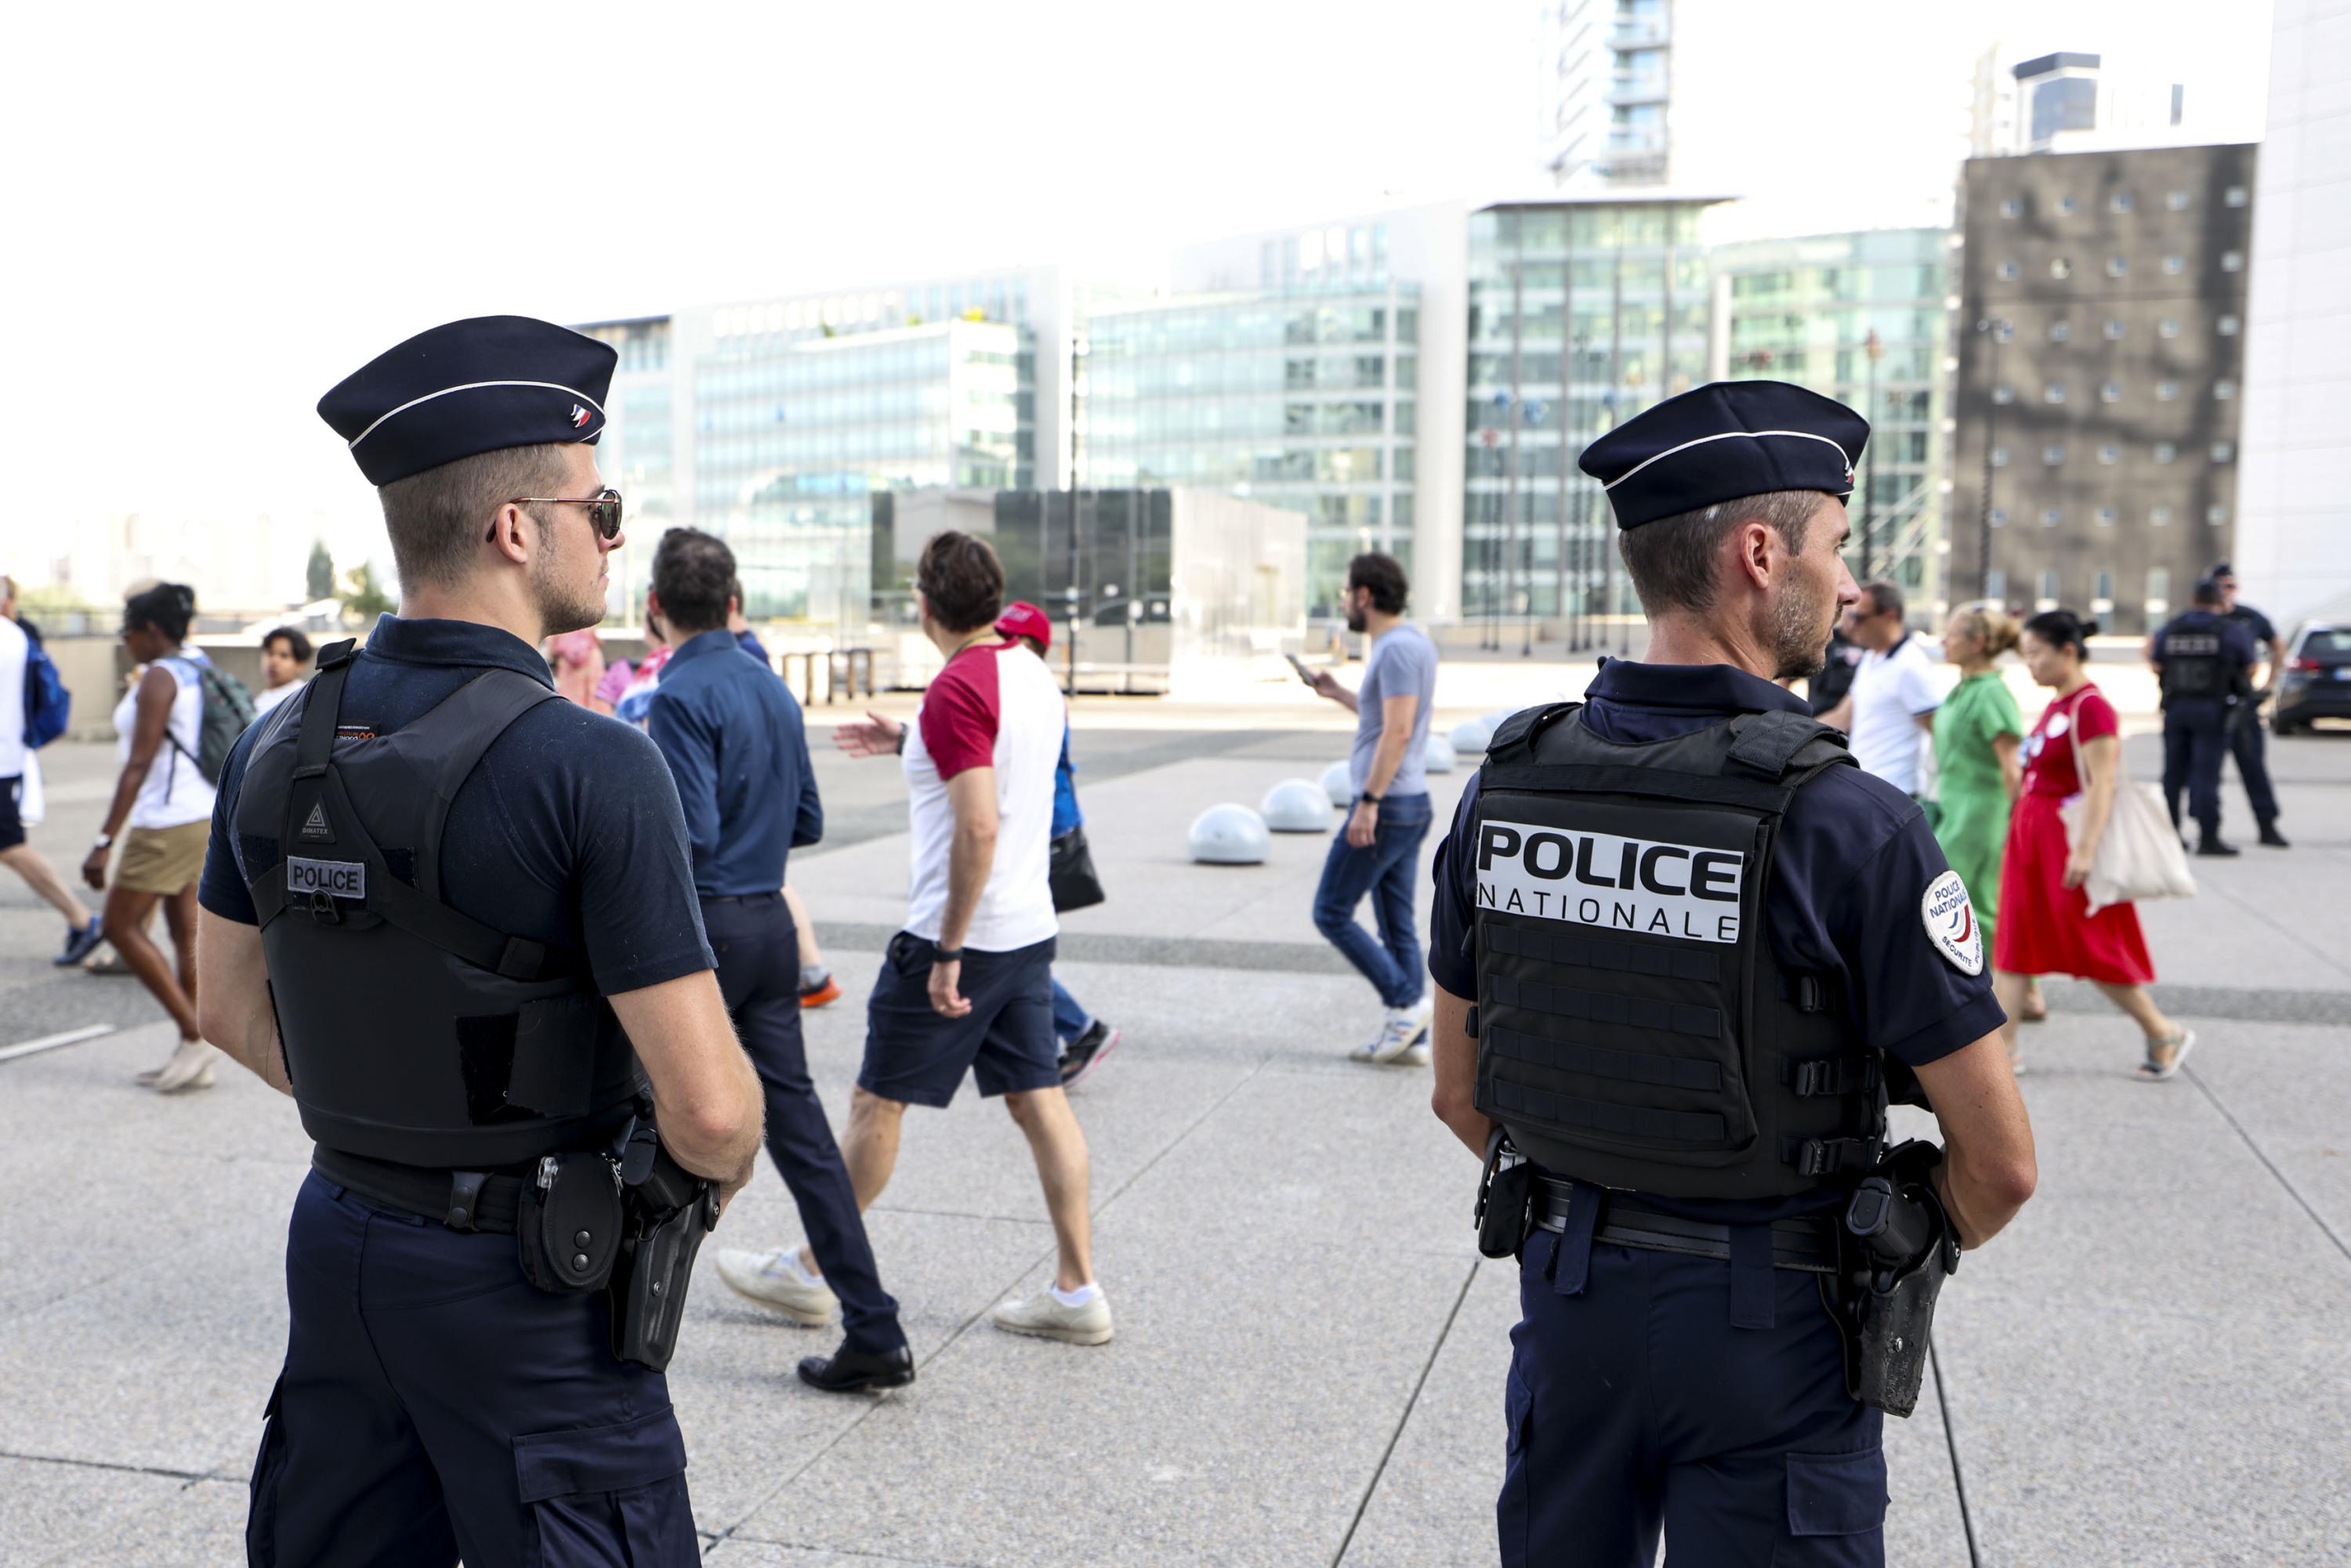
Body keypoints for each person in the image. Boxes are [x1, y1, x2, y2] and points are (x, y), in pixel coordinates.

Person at [1426, 380, 2037, 1568]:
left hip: (1570, 1304)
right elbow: (2002, 1164)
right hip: (1780, 1334)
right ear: (1761, 554)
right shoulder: (1851, 823)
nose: (1849, 585)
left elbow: (1460, 1094)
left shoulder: (1507, 787)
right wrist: (1881, 1252)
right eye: (1836, 547)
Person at [194, 316, 764, 1565]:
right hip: (530, 1287)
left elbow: (223, 1011)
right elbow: (714, 1115)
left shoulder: (275, 737)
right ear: (518, 528)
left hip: (339, 1239)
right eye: (597, 507)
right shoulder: (593, 761)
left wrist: (403, 1114)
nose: (612, 535)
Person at [812, 531, 1113, 1345]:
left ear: (924, 603)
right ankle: (1079, 1291)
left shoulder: (954, 689)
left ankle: (811, 1272)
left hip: (962, 939)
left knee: (877, 1102)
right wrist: (909, 743)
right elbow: (1002, 766)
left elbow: (978, 824)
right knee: (1038, 1099)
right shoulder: (1029, 671)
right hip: (1027, 931)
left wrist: (946, 951)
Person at [646, 527, 912, 1394]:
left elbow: (691, 832)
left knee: (630, 1106)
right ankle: (873, 1322)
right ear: (735, 604)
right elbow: (806, 822)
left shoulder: (676, 693)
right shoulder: (768, 684)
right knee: (801, 1137)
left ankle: (605, 1317)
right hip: (767, 925)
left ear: (654, 610)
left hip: (704, 935)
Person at [1996, 609, 2194, 1079]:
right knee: (2014, 941)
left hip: (2066, 841)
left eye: (2036, 654)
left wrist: (2084, 851)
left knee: (2094, 944)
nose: (2031, 665)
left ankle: (2161, 1029)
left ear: (2067, 651)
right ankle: (2003, 1050)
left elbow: (2103, 783)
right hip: (2031, 839)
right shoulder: (2057, 704)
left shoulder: (2090, 707)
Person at [85, 583, 224, 1092]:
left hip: (164, 824)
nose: (125, 639)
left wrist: (104, 839)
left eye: (128, 629)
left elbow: (139, 763)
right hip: (200, 817)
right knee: (181, 934)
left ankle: (194, 1037)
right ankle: (195, 1054)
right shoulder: (197, 665)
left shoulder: (161, 677)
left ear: (150, 631)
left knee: (120, 927)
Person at [1304, 551, 1439, 1065]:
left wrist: (1368, 802)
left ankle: (1406, 1003)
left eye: (1345, 592)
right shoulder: (1409, 645)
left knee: (1331, 910)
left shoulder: (1396, 649)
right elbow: (1384, 717)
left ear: (1365, 595)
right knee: (1397, 925)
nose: (1343, 602)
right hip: (1403, 802)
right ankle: (1412, 1037)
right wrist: (1338, 691)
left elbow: (1400, 730)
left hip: (1390, 805)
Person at [994, 600, 1120, 1085]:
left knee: (1012, 948)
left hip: (1045, 834)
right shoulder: (1027, 686)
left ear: (1031, 646)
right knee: (1012, 946)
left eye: (1011, 636)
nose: (1001, 644)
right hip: (1048, 827)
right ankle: (1048, 1041)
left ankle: (1078, 1029)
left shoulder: (1032, 691)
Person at [0, 574, 105, 966]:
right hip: (11, 756)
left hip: (3, 760)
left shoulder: (9, 639)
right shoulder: (19, 637)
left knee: (11, 848)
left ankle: (82, 919)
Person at [1932, 603, 2030, 1001]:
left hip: (1982, 814)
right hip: (1957, 808)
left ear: (1978, 643)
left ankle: (1993, 994)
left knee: (1979, 904)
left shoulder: (1990, 693)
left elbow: (2012, 767)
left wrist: (2019, 823)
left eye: (1952, 634)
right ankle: (2021, 990)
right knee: (1978, 901)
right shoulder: (1963, 687)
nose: (1944, 641)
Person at [2149, 580, 2257, 857]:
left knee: (2172, 775)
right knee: (2206, 775)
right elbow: (2250, 666)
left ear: (2193, 599)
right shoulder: (2229, 630)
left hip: (2176, 708)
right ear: (2219, 601)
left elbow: (2155, 660)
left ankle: (2169, 834)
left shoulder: (2172, 628)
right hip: (2212, 709)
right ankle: (2209, 838)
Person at [1815, 578, 1940, 798]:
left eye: (1859, 618)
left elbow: (1939, 732)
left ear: (1889, 616)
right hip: (1866, 785)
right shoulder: (1872, 656)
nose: (1850, 626)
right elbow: (1843, 716)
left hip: (1895, 793)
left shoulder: (1911, 666)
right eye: (1849, 617)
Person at [2210, 562, 2288, 847]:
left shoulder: (2249, 618)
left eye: (2229, 586)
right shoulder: (2196, 619)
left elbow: (2277, 645)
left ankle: (2267, 825)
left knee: (2253, 766)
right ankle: (2209, 831)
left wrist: (2269, 684)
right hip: (2210, 705)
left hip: (2242, 705)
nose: (2225, 592)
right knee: (2206, 771)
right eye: (2219, 586)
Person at [252, 625, 314, 716]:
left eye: (284, 656)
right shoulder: (262, 699)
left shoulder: (300, 699)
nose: (274, 661)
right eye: (270, 653)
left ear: (300, 664)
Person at [544, 625, 605, 708]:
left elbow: (552, 646)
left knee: (571, 699)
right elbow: (597, 638)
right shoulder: (589, 618)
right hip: (591, 660)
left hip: (568, 663)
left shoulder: (559, 619)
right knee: (593, 696)